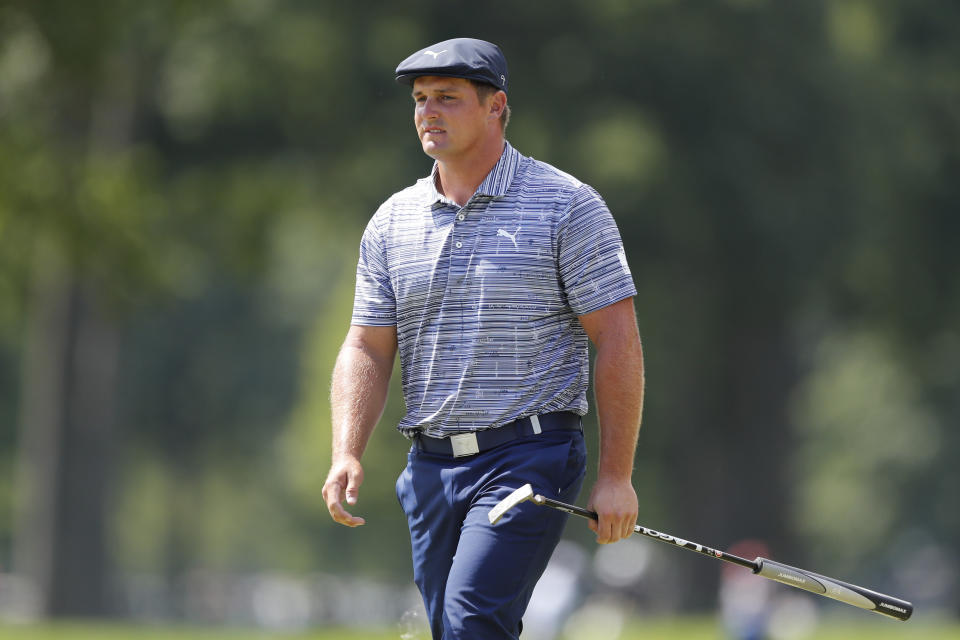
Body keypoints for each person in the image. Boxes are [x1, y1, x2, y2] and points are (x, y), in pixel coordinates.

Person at [322, 37, 645, 640]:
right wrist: (347, 450)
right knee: (452, 630)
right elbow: (366, 345)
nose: (428, 113)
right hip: (430, 466)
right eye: (420, 100)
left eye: (447, 98)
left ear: (496, 107)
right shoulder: (393, 221)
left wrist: (615, 474)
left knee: (473, 622)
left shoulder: (567, 206)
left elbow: (619, 340)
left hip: (529, 456)